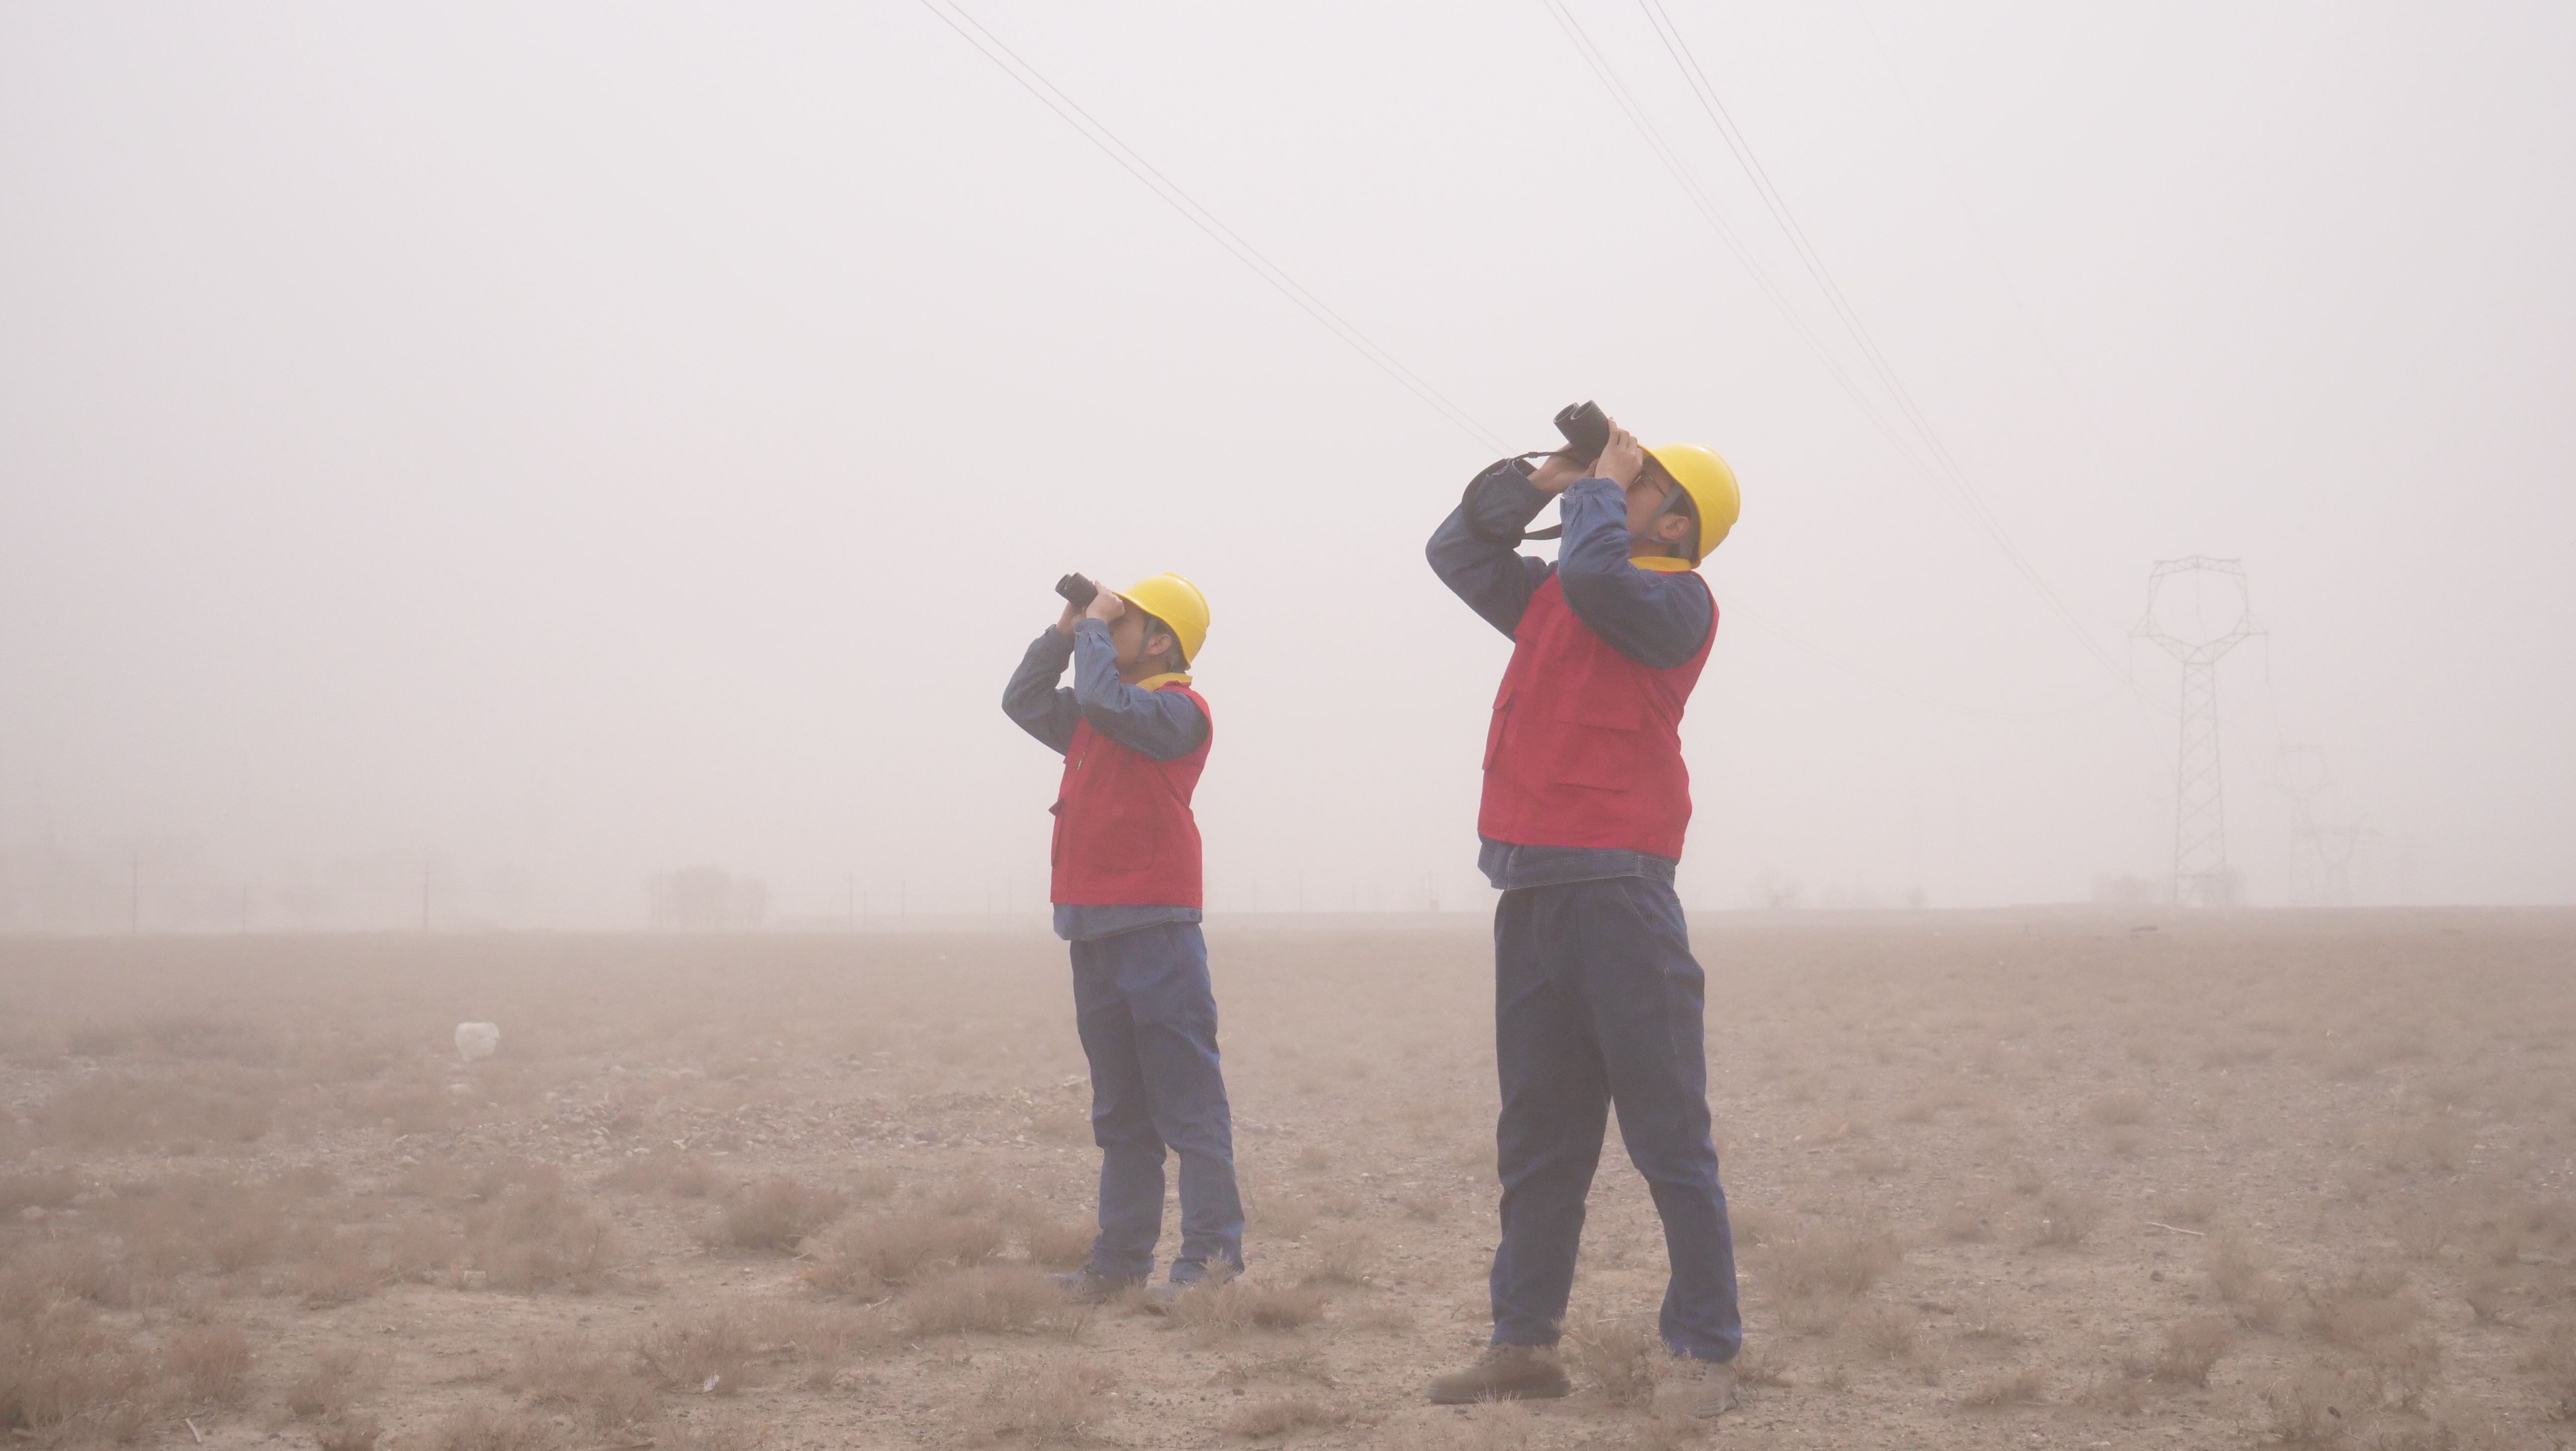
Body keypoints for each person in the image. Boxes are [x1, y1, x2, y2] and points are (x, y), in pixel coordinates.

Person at [1421, 418, 1747, 1417]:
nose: (1604, 494)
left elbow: (1607, 580)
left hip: (1618, 891)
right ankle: (1522, 1341)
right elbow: (1455, 551)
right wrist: (1546, 477)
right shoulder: (1556, 594)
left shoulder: (1676, 602)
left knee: (1666, 1131)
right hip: (1531, 887)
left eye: (1637, 484)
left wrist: (1603, 486)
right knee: (1540, 1138)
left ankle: (1704, 1348)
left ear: (1677, 520)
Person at [1001, 572, 1245, 1304]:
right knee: (1121, 1114)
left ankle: (1209, 1263)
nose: (1110, 626)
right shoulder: (1097, 714)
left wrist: (1096, 632)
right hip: (1095, 929)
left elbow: (1109, 700)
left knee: (1189, 1106)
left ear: (1161, 639)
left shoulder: (1178, 713)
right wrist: (1068, 630)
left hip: (1156, 930)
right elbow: (1022, 701)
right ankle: (1119, 1265)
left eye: (1128, 619)